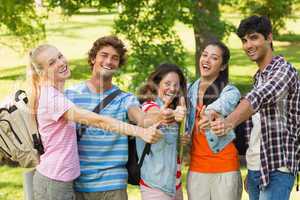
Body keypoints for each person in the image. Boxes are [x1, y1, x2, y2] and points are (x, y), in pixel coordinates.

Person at [27, 44, 162, 200]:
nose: (61, 62)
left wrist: (160, 115)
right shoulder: (54, 99)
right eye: (52, 63)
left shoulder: (58, 95)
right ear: (42, 72)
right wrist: (141, 132)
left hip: (63, 181)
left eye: (60, 56)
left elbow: (140, 116)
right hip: (54, 181)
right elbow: (97, 120)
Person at [64, 36, 173, 200]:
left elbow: (142, 118)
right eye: (104, 55)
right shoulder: (71, 96)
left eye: (115, 58)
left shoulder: (125, 99)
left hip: (113, 185)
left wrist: (161, 115)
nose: (109, 61)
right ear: (93, 58)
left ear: (118, 65)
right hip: (77, 183)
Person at [211, 15, 300, 200]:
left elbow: (258, 97)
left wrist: (228, 122)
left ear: (269, 37)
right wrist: (252, 171)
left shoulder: (284, 71)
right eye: (244, 40)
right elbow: (256, 128)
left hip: (278, 169)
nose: (248, 45)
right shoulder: (259, 77)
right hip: (256, 168)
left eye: (253, 37)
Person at [185, 39, 242, 200]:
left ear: (223, 66)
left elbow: (226, 103)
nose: (206, 60)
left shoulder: (229, 91)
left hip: (225, 168)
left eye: (214, 58)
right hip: (197, 170)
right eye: (204, 55)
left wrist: (210, 112)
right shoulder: (189, 90)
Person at [136, 63, 188, 200]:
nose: (172, 88)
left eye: (176, 85)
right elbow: (151, 117)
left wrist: (182, 140)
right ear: (156, 85)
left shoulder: (173, 107)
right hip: (155, 185)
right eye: (167, 83)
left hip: (175, 184)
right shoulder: (149, 106)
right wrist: (170, 114)